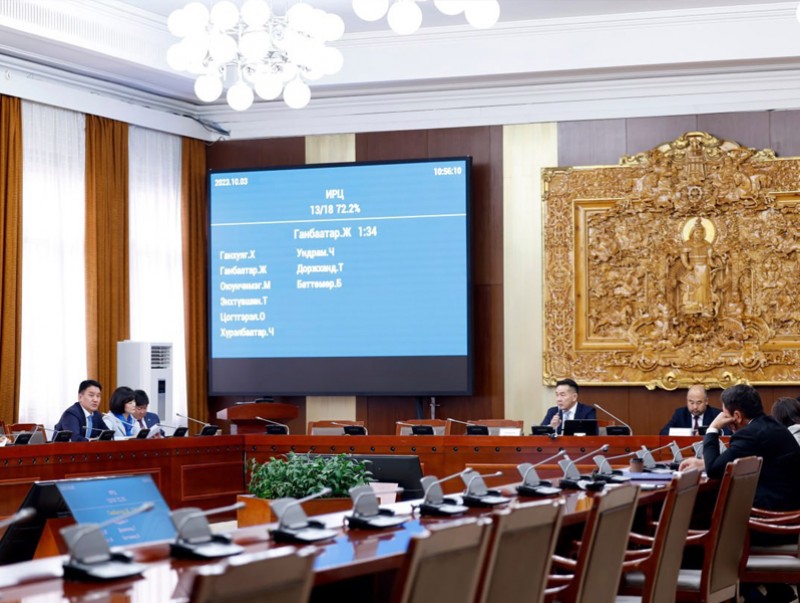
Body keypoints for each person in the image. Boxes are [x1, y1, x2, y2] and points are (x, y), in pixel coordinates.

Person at [679, 384, 800, 603]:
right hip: (787, 517)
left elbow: (715, 470)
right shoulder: (769, 426)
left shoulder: (750, 434)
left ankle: (741, 594)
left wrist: (712, 429)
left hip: (772, 525)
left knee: (693, 535)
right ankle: (764, 591)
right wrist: (704, 463)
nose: (723, 419)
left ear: (736, 416)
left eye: (724, 414)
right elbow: (725, 463)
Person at [659, 384, 726, 435]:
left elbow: (727, 432)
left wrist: (711, 432)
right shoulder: (680, 414)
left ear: (706, 401)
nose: (695, 407)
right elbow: (663, 432)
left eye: (699, 403)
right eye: (691, 402)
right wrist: (685, 433)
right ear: (687, 401)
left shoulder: (716, 414)